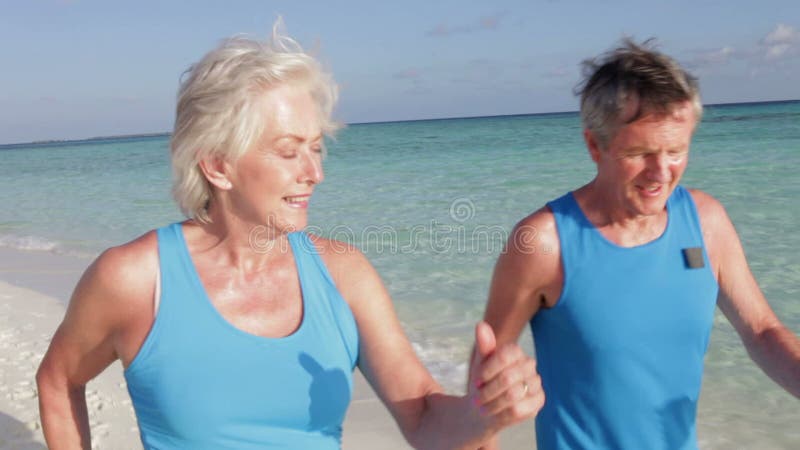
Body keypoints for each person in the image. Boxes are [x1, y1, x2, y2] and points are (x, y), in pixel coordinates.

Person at [36, 22, 544, 449]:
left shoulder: (343, 273)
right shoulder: (135, 279)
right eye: (288, 150)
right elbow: (59, 380)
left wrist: (482, 415)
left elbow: (425, 419)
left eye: (317, 148)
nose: (314, 172)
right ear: (218, 164)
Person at [478, 39, 800, 449]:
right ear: (595, 145)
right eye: (641, 152)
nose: (661, 172)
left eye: (676, 150)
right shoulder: (543, 243)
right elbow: (485, 386)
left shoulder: (706, 222)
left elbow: (762, 331)